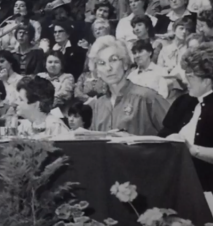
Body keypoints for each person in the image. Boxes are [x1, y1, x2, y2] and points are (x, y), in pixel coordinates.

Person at [87, 36, 169, 136]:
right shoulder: (98, 105)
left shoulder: (147, 97)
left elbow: (176, 137)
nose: (108, 68)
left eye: (113, 60)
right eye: (101, 63)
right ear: (97, 71)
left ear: (125, 64)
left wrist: (133, 140)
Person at [158, 45, 213, 191]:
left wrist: (192, 150)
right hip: (176, 181)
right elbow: (164, 134)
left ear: (207, 80)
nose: (185, 81)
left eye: (190, 76)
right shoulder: (183, 102)